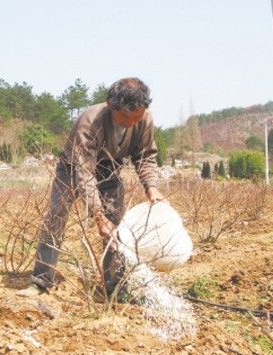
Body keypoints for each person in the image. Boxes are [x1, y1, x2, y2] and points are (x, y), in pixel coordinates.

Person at [19, 77, 164, 298]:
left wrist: (151, 187)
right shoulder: (91, 121)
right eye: (125, 116)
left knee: (116, 225)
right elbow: (84, 172)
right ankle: (41, 281)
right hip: (72, 167)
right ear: (110, 105)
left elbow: (145, 155)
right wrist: (97, 214)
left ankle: (114, 287)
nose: (131, 122)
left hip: (109, 168)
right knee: (56, 217)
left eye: (137, 116)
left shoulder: (144, 119)